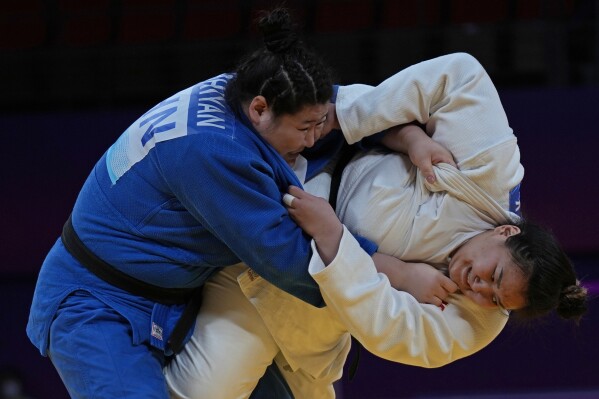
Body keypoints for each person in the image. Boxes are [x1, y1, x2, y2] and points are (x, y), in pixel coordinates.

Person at [164, 52, 588, 399]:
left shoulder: (478, 322)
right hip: (285, 215)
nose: (478, 289)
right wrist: (379, 127)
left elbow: (389, 333)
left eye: (496, 300)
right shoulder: (489, 179)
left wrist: (345, 243)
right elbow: (460, 75)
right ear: (506, 232)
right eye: (493, 275)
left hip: (311, 315)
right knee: (204, 392)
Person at [26, 8, 384, 399]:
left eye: (318, 125)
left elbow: (340, 106)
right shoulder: (214, 152)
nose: (314, 140)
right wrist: (396, 275)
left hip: (176, 297)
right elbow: (289, 261)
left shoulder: (250, 90)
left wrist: (409, 138)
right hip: (98, 304)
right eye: (304, 130)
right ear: (260, 110)